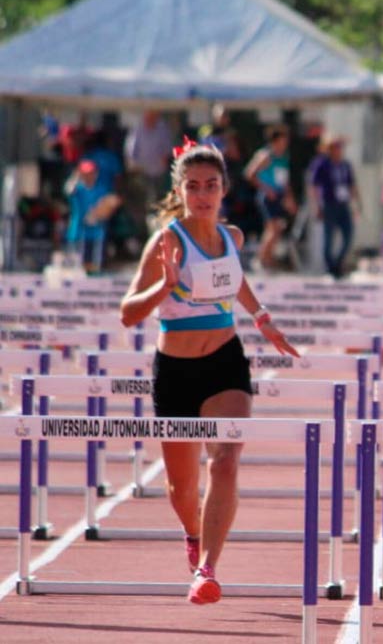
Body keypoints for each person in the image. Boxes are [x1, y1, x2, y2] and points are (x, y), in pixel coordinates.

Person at [118, 138, 298, 605]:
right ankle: (194, 534)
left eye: (211, 185)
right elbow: (127, 313)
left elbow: (235, 281)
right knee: (182, 490)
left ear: (224, 189)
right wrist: (164, 287)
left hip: (225, 364)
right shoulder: (166, 241)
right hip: (175, 371)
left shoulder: (233, 238)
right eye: (193, 186)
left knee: (225, 461)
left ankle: (207, 569)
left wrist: (263, 320)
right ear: (180, 189)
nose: (203, 194)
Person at [306, 133, 360, 278]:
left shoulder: (345, 165)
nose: (338, 150)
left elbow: (352, 185)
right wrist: (317, 206)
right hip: (328, 204)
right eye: (335, 147)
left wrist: (357, 204)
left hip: (343, 204)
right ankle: (330, 267)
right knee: (328, 237)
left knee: (348, 235)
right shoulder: (322, 164)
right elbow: (314, 186)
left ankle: (337, 263)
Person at [244, 126, 295, 270]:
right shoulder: (266, 155)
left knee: (277, 229)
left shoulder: (284, 157)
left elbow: (285, 180)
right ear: (276, 140)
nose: (285, 143)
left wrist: (289, 198)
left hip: (279, 196)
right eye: (283, 140)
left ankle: (267, 258)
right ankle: (260, 259)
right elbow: (249, 173)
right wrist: (267, 189)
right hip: (268, 196)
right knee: (273, 228)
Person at [124, 110, 174, 243]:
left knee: (159, 206)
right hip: (142, 174)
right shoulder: (138, 129)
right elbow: (130, 152)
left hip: (159, 174)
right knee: (143, 207)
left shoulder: (162, 129)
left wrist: (163, 160)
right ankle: (142, 237)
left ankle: (159, 235)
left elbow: (168, 150)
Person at [64, 160, 119, 274]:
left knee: (94, 267)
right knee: (78, 268)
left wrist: (98, 214)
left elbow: (110, 204)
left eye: (91, 173)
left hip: (96, 234)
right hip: (78, 233)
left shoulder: (101, 189)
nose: (88, 176)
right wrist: (75, 177)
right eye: (85, 173)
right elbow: (69, 190)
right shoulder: (78, 188)